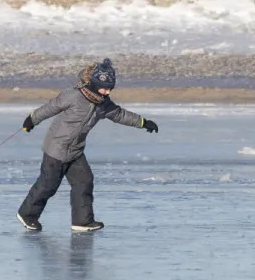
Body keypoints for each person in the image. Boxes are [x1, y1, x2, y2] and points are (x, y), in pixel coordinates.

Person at [17, 59, 157, 233]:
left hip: (75, 150)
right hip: (56, 148)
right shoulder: (73, 96)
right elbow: (50, 108)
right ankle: (27, 214)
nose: (107, 92)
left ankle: (82, 221)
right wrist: (32, 120)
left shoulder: (103, 104)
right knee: (48, 185)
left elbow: (120, 114)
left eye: (110, 88)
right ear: (93, 83)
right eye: (103, 87)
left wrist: (143, 122)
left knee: (84, 181)